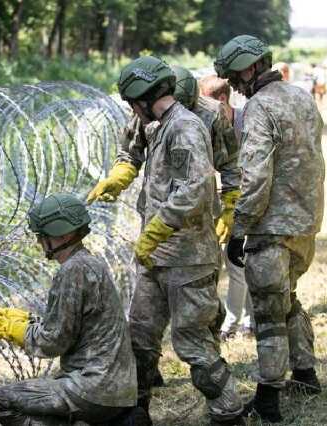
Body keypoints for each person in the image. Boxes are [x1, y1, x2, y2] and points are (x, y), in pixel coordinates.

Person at [87, 56, 245, 426]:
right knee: (139, 337)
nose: (131, 110)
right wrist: (120, 176)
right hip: (156, 256)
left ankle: (228, 414)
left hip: (189, 257)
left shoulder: (187, 126)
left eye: (131, 102)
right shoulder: (156, 123)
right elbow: (133, 152)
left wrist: (158, 228)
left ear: (143, 97)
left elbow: (195, 188)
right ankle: (134, 411)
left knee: (194, 344)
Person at [214, 35, 325, 422]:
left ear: (250, 68)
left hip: (271, 227)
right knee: (288, 299)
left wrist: (240, 228)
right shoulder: (302, 96)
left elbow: (256, 177)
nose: (235, 88)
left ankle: (268, 399)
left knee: (268, 314)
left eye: (234, 78)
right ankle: (306, 373)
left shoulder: (260, 107)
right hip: (306, 223)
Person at [0, 193, 138, 426]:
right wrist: (17, 317)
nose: (39, 242)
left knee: (0, 401)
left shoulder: (73, 270)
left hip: (94, 388)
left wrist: (9, 329)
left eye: (42, 236)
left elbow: (53, 341)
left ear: (63, 233)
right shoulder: (88, 263)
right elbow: (67, 325)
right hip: (116, 388)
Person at [199, 74, 255, 340]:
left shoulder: (248, 123)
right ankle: (244, 319)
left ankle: (236, 323)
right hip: (225, 204)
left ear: (222, 99)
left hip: (250, 202)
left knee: (238, 262)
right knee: (235, 263)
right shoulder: (211, 126)